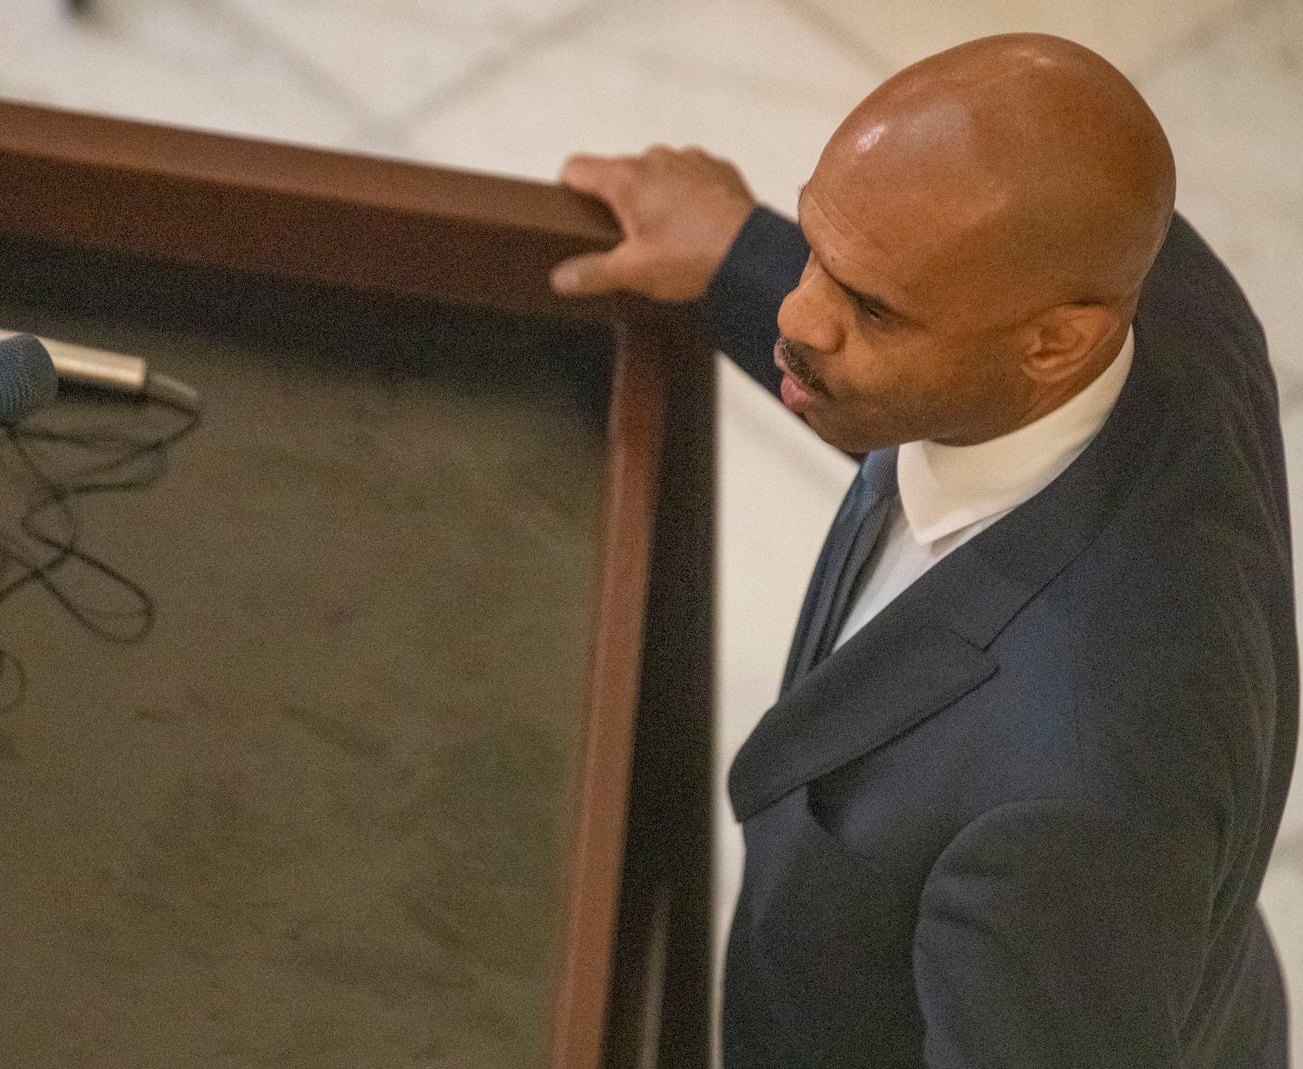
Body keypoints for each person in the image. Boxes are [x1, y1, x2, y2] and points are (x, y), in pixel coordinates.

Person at [552, 33, 1296, 1068]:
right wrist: (735, 253)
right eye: (813, 248)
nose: (796, 312)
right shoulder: (1163, 288)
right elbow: (943, 309)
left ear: (1057, 343)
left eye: (867, 308)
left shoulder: (1063, 800)